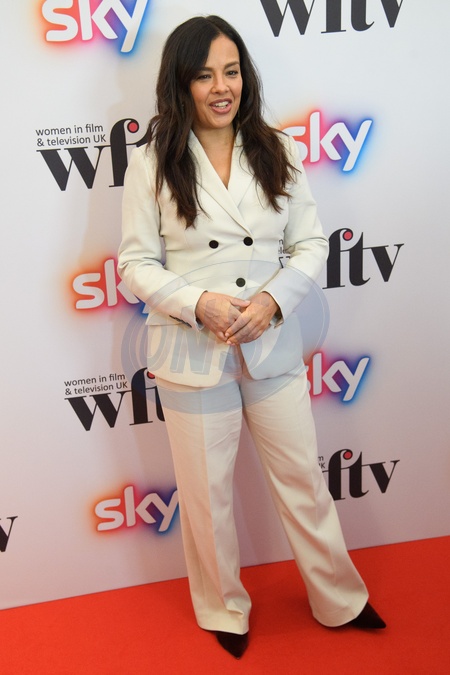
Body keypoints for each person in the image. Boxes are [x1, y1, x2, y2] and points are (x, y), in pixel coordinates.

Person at [118, 15, 385, 659]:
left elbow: (311, 243)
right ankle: (223, 607)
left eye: (232, 71)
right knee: (206, 495)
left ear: (246, 77)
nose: (221, 87)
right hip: (191, 347)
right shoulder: (151, 161)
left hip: (271, 342)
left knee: (302, 479)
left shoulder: (279, 149)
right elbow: (134, 263)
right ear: (180, 83)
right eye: (204, 74)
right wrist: (198, 304)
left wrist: (271, 301)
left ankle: (339, 597)